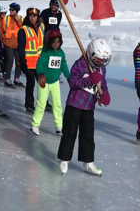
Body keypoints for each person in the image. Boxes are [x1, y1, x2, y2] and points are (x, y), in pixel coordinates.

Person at [57, 39, 111, 176]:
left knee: (88, 136)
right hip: (74, 105)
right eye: (98, 60)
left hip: (89, 107)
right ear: (90, 53)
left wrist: (103, 94)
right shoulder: (80, 64)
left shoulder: (101, 68)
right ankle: (64, 160)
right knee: (69, 134)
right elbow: (73, 81)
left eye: (103, 61)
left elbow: (102, 83)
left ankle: (88, 162)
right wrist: (89, 80)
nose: (100, 63)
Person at [30, 29, 70, 136]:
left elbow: (63, 65)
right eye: (54, 41)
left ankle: (59, 126)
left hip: (55, 82)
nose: (56, 44)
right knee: (41, 103)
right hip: (45, 82)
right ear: (49, 41)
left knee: (57, 104)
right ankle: (35, 124)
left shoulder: (61, 53)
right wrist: (41, 75)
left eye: (58, 41)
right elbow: (39, 65)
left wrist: (69, 77)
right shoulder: (45, 53)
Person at [18, 6, 49, 113]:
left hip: (40, 62)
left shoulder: (42, 27)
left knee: (43, 84)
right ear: (28, 16)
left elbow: (44, 43)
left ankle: (44, 102)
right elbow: (21, 46)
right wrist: (22, 61)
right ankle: (29, 104)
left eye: (35, 16)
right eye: (31, 16)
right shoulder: (23, 30)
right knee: (30, 84)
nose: (33, 18)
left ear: (37, 17)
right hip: (29, 63)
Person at [0, 2, 23, 88]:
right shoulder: (5, 19)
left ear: (16, 11)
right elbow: (1, 31)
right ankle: (7, 79)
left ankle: (16, 78)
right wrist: (1, 42)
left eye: (12, 10)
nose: (10, 11)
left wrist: (18, 21)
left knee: (19, 62)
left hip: (18, 45)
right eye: (10, 9)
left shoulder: (21, 19)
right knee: (9, 62)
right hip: (8, 44)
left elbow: (24, 29)